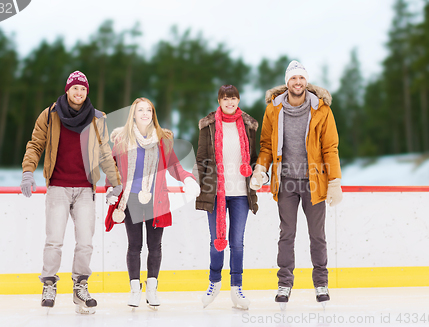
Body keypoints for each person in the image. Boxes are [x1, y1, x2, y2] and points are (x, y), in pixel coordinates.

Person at [20, 71, 123, 314]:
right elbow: (35, 144)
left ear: (87, 92)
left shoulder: (97, 118)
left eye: (83, 89)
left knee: (85, 242)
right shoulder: (49, 115)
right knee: (54, 240)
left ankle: (80, 286)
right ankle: (49, 284)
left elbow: (105, 153)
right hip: (58, 186)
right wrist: (27, 171)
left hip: (86, 189)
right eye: (75, 88)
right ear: (67, 89)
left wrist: (115, 181)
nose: (79, 93)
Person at [250, 61, 343, 305]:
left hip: (314, 182)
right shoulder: (274, 109)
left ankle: (321, 283)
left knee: (317, 235)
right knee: (287, 234)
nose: (298, 83)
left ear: (306, 82)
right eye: (293, 79)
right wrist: (260, 168)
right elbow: (267, 146)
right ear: (287, 82)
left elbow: (330, 148)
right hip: (286, 182)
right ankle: (284, 284)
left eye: (301, 78)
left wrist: (334, 181)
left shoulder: (321, 110)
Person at [105, 97, 200, 308]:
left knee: (155, 246)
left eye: (149, 110)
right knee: (134, 246)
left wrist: (187, 179)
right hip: (130, 202)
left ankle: (152, 289)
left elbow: (175, 167)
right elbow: (112, 169)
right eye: (141, 110)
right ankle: (134, 290)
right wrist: (110, 188)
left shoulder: (162, 140)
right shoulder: (122, 141)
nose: (145, 113)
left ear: (153, 114)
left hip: (156, 201)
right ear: (133, 114)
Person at [195, 85, 259, 310]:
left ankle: (237, 288)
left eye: (233, 99)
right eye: (225, 99)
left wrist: (260, 173)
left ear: (238, 100)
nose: (230, 102)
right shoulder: (209, 125)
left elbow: (254, 157)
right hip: (215, 193)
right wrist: (197, 183)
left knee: (237, 243)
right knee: (216, 241)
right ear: (219, 101)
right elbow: (202, 157)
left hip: (241, 193)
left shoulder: (249, 126)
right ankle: (214, 282)